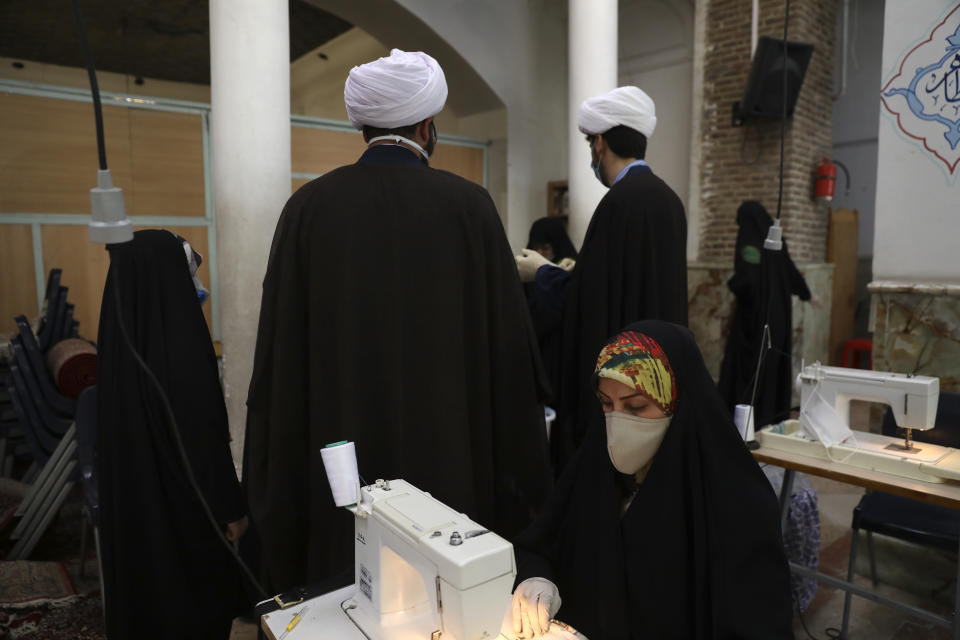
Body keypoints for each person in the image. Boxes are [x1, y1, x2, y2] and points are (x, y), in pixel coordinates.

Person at [243, 49, 552, 594]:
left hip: (341, 456)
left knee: (346, 589)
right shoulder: (469, 207)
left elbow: (281, 355)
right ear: (427, 126)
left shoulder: (308, 208)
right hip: (451, 453)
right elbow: (509, 353)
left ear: (363, 123)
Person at [509, 321, 795, 639]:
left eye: (636, 406)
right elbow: (539, 543)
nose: (617, 420)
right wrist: (536, 579)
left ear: (678, 403)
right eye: (606, 404)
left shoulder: (737, 505)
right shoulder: (594, 471)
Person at [517, 86, 688, 474]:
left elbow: (588, 303)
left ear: (598, 143)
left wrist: (539, 272)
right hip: (656, 377)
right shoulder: (666, 199)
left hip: (619, 389)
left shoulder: (620, 202)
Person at [97, 230, 249, 639]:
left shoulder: (118, 342)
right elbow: (202, 438)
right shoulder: (180, 347)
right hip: (185, 518)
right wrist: (231, 508)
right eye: (189, 273)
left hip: (135, 514)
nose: (198, 287)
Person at [718, 200, 822, 428]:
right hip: (778, 316)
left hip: (754, 317)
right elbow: (790, 270)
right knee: (771, 363)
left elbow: (746, 279)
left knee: (749, 366)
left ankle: (743, 420)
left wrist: (733, 284)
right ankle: (770, 416)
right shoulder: (775, 239)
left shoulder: (749, 240)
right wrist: (808, 295)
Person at [523, 217, 578, 396]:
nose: (539, 253)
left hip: (562, 358)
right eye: (535, 248)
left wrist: (554, 278)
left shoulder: (573, 272)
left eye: (545, 248)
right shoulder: (524, 274)